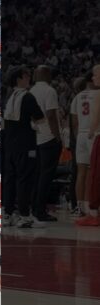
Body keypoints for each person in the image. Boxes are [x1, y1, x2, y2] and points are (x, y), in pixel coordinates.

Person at [3, 65, 45, 228]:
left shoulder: (8, 97)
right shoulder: (28, 97)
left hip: (10, 145)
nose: (29, 79)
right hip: (26, 144)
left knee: (10, 180)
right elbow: (40, 119)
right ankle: (24, 215)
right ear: (19, 78)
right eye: (27, 76)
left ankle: (7, 214)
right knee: (25, 179)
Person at [30, 65, 62, 221]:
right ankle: (40, 210)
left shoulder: (31, 91)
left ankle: (34, 207)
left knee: (37, 175)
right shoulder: (49, 91)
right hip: (48, 137)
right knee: (46, 176)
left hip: (35, 138)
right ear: (46, 75)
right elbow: (50, 115)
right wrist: (57, 136)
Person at [70, 72, 96, 220]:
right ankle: (92, 207)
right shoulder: (98, 95)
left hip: (80, 135)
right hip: (94, 134)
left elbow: (74, 122)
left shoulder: (77, 97)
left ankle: (80, 207)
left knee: (81, 173)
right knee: (93, 172)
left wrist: (78, 136)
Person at [77, 64, 100, 226]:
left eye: (96, 74)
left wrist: (92, 130)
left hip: (87, 133)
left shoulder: (80, 96)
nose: (93, 77)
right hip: (90, 134)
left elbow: (96, 115)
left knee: (90, 174)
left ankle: (88, 210)